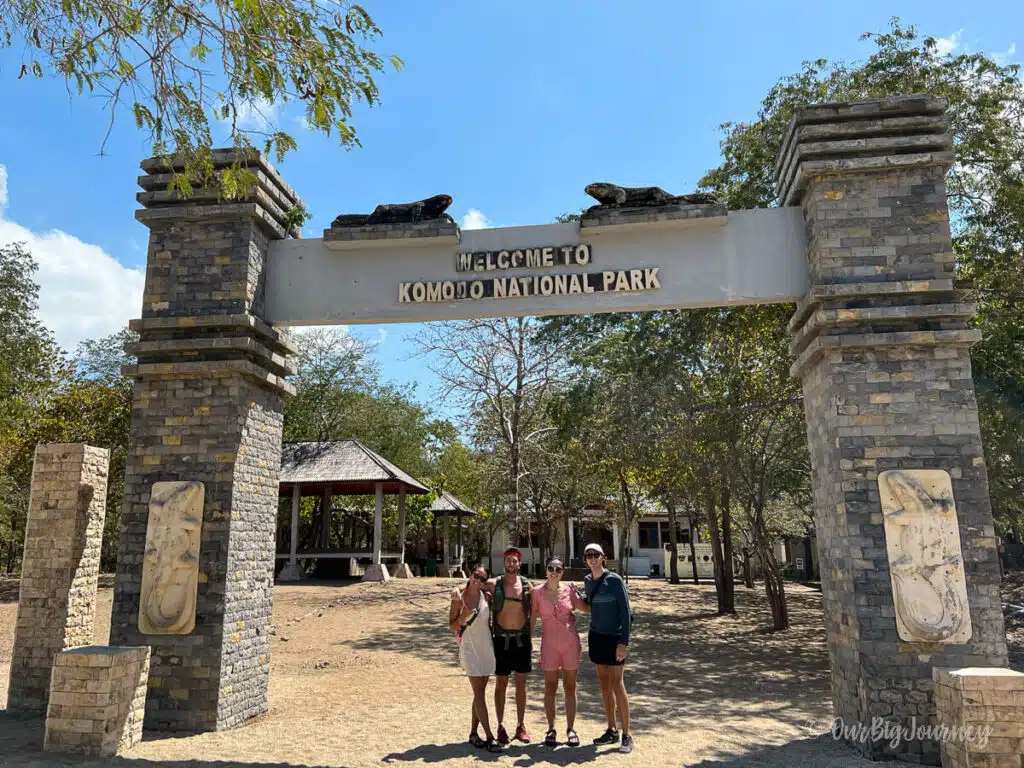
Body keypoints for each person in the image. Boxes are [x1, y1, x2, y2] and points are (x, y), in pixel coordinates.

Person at [531, 555, 589, 747]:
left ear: (563, 572)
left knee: (570, 687)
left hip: (570, 643)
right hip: (549, 645)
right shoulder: (537, 593)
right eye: (551, 568)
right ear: (545, 570)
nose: (554, 572)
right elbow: (532, 619)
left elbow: (586, 608)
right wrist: (529, 640)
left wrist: (587, 592)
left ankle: (571, 728)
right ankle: (551, 729)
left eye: (558, 569)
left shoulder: (570, 591)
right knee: (550, 687)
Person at [583, 542, 634, 754]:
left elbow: (626, 612)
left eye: (596, 555)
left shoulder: (614, 580)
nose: (592, 558)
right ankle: (611, 729)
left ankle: (626, 735)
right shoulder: (587, 581)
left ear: (603, 557)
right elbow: (589, 605)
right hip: (597, 637)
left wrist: (624, 643)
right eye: (588, 556)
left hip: (615, 639)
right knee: (604, 686)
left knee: (617, 685)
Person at [449, 565, 503, 752]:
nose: (477, 580)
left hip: (486, 647)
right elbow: (452, 626)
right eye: (475, 576)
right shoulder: (459, 599)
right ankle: (489, 736)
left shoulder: (485, 595)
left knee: (479, 692)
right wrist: (462, 618)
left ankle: (473, 733)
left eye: (482, 579)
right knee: (479, 693)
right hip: (470, 648)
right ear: (470, 574)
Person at [488, 546, 533, 745]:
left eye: (515, 561)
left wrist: (531, 637)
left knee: (521, 685)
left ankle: (521, 726)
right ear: (504, 563)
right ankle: (500, 725)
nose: (511, 564)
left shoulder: (526, 585)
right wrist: (458, 589)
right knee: (502, 684)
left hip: (521, 640)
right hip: (501, 640)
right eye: (508, 561)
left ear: (519, 564)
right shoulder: (494, 583)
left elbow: (536, 610)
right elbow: (473, 584)